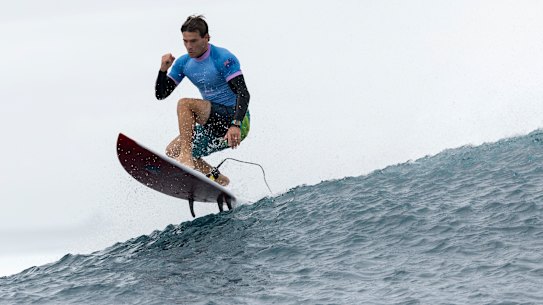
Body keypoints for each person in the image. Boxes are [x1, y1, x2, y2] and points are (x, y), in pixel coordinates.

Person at [155, 15, 250, 186]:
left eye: (193, 41)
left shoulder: (222, 58)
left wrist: (236, 124)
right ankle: (218, 179)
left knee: (185, 104)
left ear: (206, 38)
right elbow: (161, 94)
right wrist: (163, 70)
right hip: (212, 124)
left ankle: (187, 158)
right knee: (171, 151)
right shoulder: (184, 63)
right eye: (185, 41)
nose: (189, 46)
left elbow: (244, 93)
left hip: (236, 121)